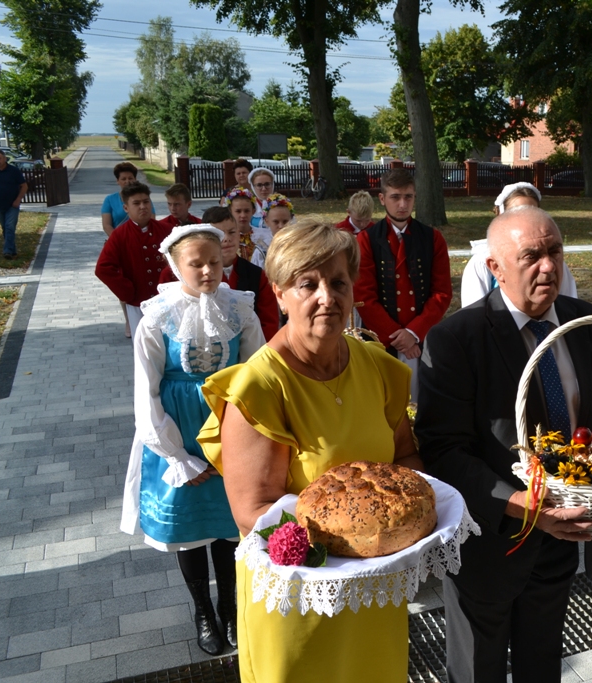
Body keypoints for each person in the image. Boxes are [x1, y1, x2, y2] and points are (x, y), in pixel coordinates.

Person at [197, 219, 420, 682]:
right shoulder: (260, 387)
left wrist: (407, 530)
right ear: (278, 293)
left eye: (338, 282)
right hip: (299, 601)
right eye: (307, 284)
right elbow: (254, 514)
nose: (327, 297)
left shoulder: (377, 366)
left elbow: (406, 460)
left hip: (374, 596)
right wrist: (358, 548)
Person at [416, 206, 592, 683]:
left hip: (560, 541)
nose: (548, 266)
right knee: (478, 672)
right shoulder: (454, 340)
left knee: (542, 665)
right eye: (531, 255)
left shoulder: (590, 324)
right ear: (495, 268)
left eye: (554, 251)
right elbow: (442, 453)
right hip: (486, 546)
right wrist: (522, 506)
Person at [120, 224, 265, 656]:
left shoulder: (241, 309)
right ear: (175, 266)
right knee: (189, 528)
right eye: (196, 264)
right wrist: (175, 455)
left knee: (227, 525)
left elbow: (258, 372)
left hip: (229, 431)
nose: (207, 271)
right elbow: (145, 392)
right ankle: (202, 608)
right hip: (179, 432)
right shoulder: (157, 318)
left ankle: (231, 606)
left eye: (215, 262)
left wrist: (255, 436)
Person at [355, 169, 452, 398]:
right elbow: (363, 296)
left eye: (408, 197)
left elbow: (441, 293)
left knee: (424, 402)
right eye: (395, 197)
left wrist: (414, 333)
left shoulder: (432, 238)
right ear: (382, 199)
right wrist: (397, 337)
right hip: (381, 339)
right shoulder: (366, 240)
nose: (402, 204)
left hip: (422, 338)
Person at [159, 206, 280, 341]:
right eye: (219, 235)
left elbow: (268, 322)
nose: (226, 239)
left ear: (239, 232)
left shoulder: (256, 275)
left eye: (232, 232)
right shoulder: (176, 274)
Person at [460, 182, 578, 307]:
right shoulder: (481, 262)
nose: (525, 219)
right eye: (516, 212)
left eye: (532, 212)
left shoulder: (552, 263)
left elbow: (568, 305)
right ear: (501, 214)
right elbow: (474, 312)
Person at [95, 183, 173, 333]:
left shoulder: (166, 230)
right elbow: (102, 268)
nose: (142, 206)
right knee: (142, 348)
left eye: (146, 202)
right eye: (136, 203)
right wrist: (126, 292)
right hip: (138, 301)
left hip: (167, 300)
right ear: (126, 208)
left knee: (171, 346)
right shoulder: (119, 235)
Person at [101, 162, 156, 236]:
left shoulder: (144, 198)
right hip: (119, 240)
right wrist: (118, 240)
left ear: (135, 179)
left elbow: (151, 220)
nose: (127, 181)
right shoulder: (109, 200)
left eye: (130, 178)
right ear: (118, 181)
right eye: (123, 179)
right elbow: (106, 226)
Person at [0, 149, 27, 259]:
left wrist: (18, 200)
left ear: (5, 158)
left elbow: (24, 186)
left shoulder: (13, 171)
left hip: (12, 205)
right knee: (5, 228)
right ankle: (12, 250)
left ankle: (7, 251)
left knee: (9, 227)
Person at [249, 194, 294, 269]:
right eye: (276, 222)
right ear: (267, 221)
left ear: (291, 220)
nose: (281, 226)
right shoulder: (262, 249)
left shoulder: (297, 244)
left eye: (285, 221)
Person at [222, 188, 258, 263]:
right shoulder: (224, 237)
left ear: (253, 211)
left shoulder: (261, 236)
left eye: (246, 211)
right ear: (230, 211)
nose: (243, 215)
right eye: (238, 211)